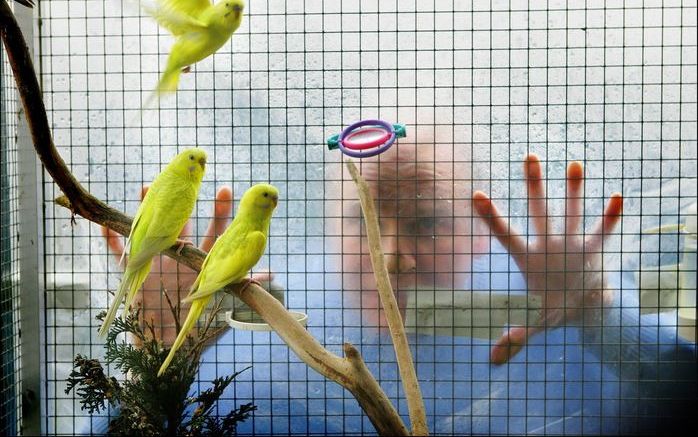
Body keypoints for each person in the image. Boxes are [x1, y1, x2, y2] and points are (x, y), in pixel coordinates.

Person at [96, 143, 696, 434]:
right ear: (327, 226)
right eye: (360, 220)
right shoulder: (263, 324)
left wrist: (602, 323)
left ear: (477, 227)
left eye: (427, 220)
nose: (392, 256)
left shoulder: (533, 319)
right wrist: (160, 355)